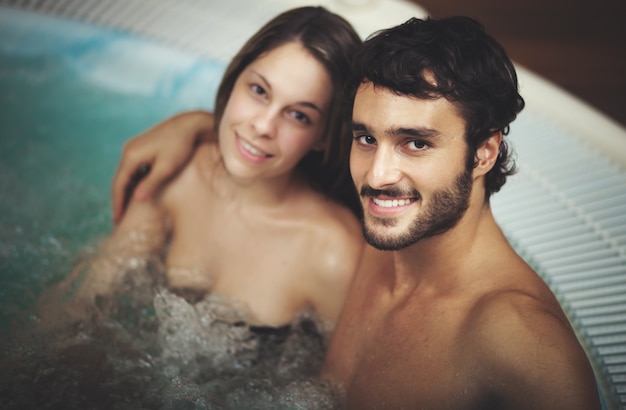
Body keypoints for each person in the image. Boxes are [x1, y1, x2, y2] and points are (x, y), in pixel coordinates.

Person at [112, 16, 601, 410]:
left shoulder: (521, 343)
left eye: (415, 143)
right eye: (367, 137)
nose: (377, 175)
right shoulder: (381, 236)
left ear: (483, 153)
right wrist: (197, 125)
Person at [45, 6, 364, 330]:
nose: (263, 126)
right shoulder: (179, 174)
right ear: (235, 77)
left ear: (323, 137)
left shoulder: (332, 253)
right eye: (258, 91)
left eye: (299, 115)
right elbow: (85, 299)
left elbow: (339, 377)